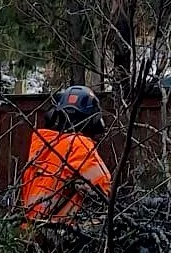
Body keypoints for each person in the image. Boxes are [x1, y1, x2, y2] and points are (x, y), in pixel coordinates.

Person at [20, 85, 113, 226]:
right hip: (58, 235)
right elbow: (105, 194)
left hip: (29, 231)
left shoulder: (42, 146)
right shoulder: (80, 145)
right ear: (94, 121)